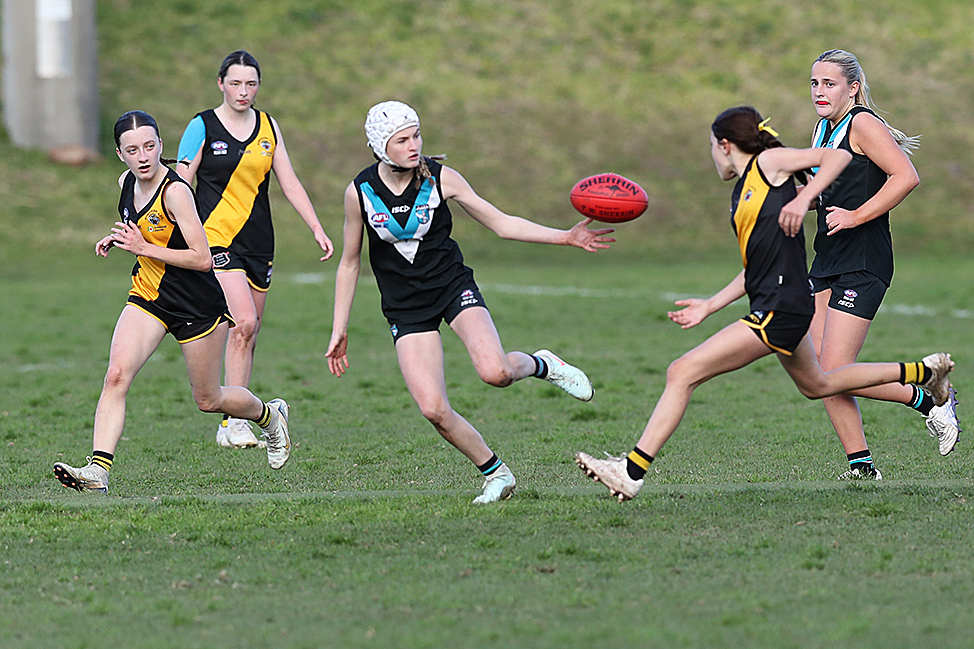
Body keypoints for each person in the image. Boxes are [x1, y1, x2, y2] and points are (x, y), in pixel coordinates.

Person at [575, 106, 955, 501]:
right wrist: (710, 305)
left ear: (726, 146)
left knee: (682, 371)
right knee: (820, 384)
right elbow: (754, 267)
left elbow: (837, 157)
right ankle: (925, 373)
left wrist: (804, 199)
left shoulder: (767, 165)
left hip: (780, 308)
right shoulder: (744, 192)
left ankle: (630, 472)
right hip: (785, 303)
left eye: (711, 146)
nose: (712, 155)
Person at [326, 100, 616, 504]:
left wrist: (565, 237)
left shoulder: (441, 178)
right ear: (380, 146)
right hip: (405, 307)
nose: (414, 145)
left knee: (496, 373)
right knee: (433, 409)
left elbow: (502, 224)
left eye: (416, 135)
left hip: (452, 287)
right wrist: (339, 329)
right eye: (402, 140)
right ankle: (497, 474)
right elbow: (350, 262)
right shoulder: (359, 192)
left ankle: (543, 364)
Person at [53, 111, 291, 494]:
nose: (143, 156)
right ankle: (99, 470)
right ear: (120, 155)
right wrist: (118, 238)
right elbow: (145, 228)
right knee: (116, 375)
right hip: (149, 295)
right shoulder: (125, 183)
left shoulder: (176, 192)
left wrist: (143, 247)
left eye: (150, 146)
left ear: (161, 145)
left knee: (209, 399)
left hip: (196, 305)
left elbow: (202, 258)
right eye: (133, 150)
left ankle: (270, 416)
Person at [807, 49, 958, 479]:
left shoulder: (862, 124)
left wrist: (855, 216)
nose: (819, 91)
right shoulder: (823, 128)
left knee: (833, 370)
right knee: (820, 373)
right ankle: (862, 466)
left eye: (829, 84)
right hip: (827, 256)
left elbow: (906, 176)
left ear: (852, 88)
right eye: (815, 83)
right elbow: (823, 188)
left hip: (864, 259)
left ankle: (931, 398)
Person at [176, 50, 333, 450]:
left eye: (251, 84)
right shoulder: (202, 126)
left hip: (259, 243)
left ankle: (230, 423)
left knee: (248, 333)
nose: (243, 91)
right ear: (220, 84)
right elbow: (179, 184)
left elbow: (289, 182)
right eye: (235, 83)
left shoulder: (268, 126)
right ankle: (236, 422)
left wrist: (316, 227)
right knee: (242, 322)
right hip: (215, 240)